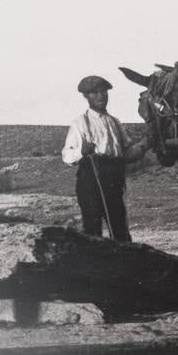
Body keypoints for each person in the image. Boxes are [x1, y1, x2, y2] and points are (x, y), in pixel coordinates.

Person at [62, 75, 148, 241]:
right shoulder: (80, 123)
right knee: (93, 231)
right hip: (90, 180)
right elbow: (67, 155)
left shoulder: (115, 122)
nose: (101, 96)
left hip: (114, 180)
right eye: (95, 93)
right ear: (86, 96)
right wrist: (82, 151)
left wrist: (145, 145)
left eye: (103, 92)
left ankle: (123, 264)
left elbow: (128, 154)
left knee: (119, 226)